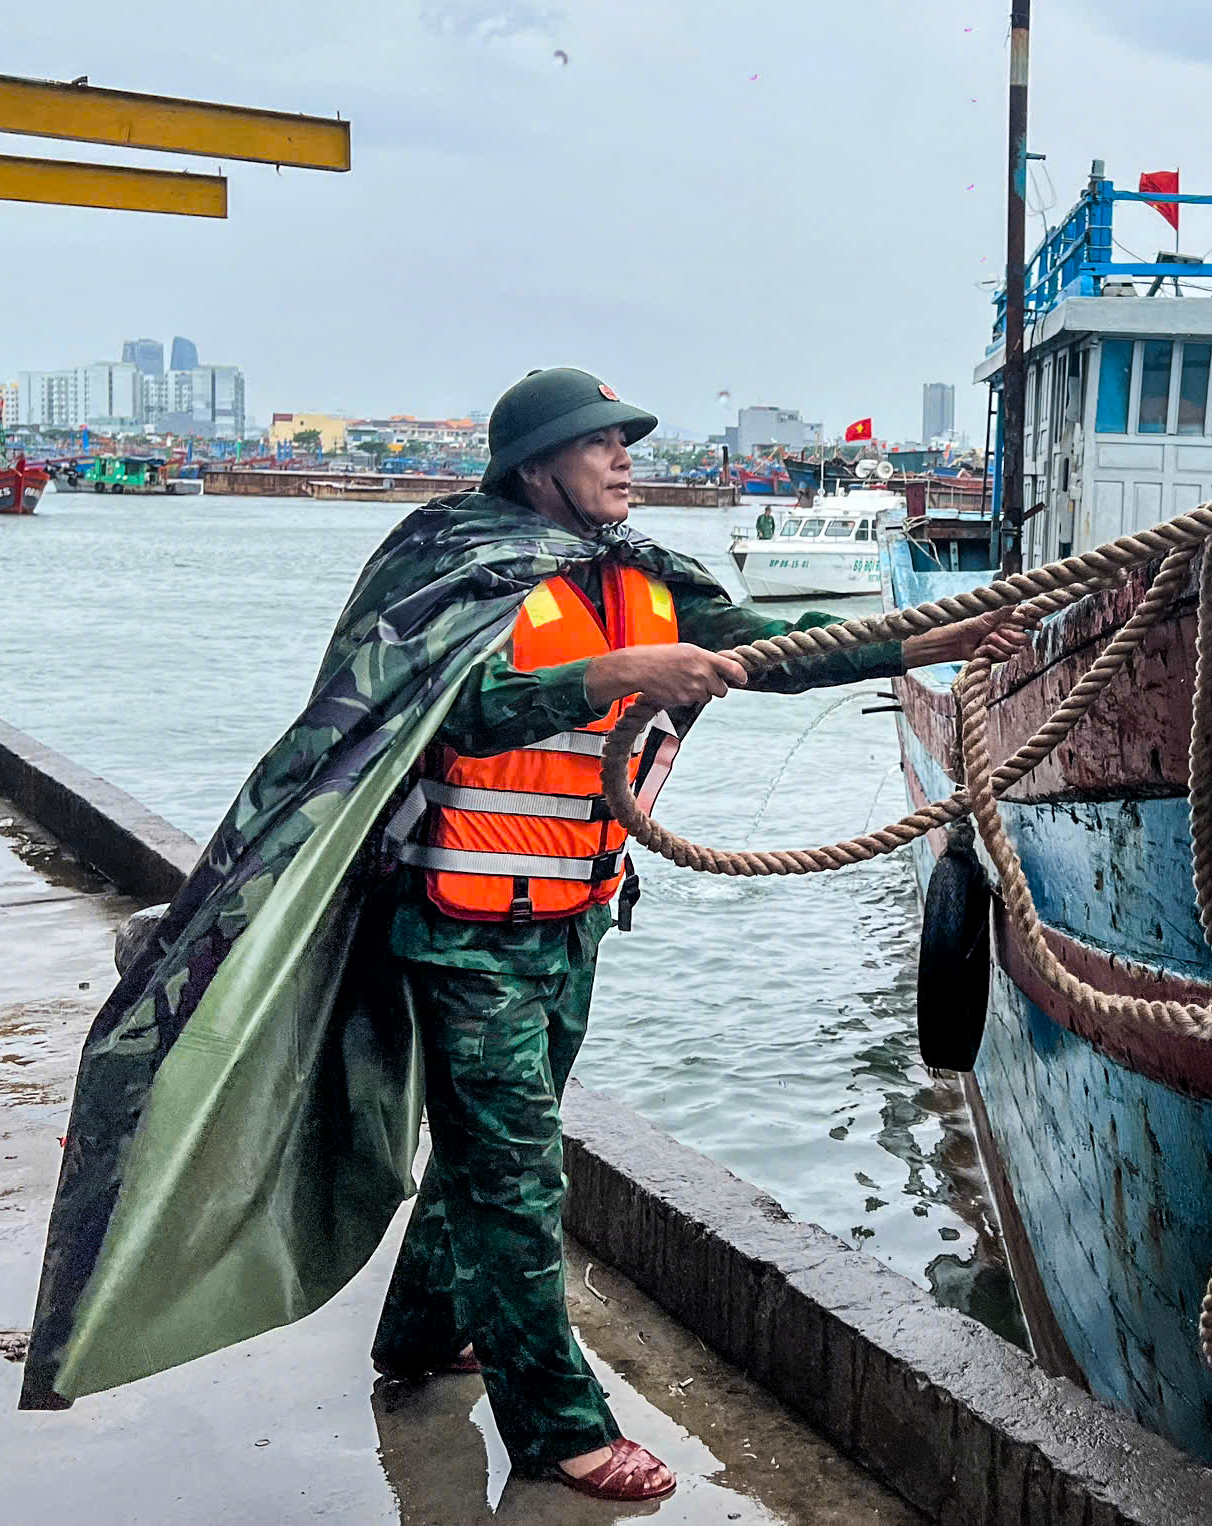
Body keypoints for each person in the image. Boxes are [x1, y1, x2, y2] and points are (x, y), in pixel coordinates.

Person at [22, 369, 1009, 1506]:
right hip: (461, 936)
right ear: (537, 463)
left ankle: (426, 1330)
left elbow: (774, 651)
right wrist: (606, 673)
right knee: (518, 1178)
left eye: (630, 440)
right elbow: (446, 700)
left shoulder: (646, 574)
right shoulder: (454, 566)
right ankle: (557, 1425)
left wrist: (939, 634)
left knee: (487, 1158)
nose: (627, 458)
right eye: (602, 443)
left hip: (572, 922)